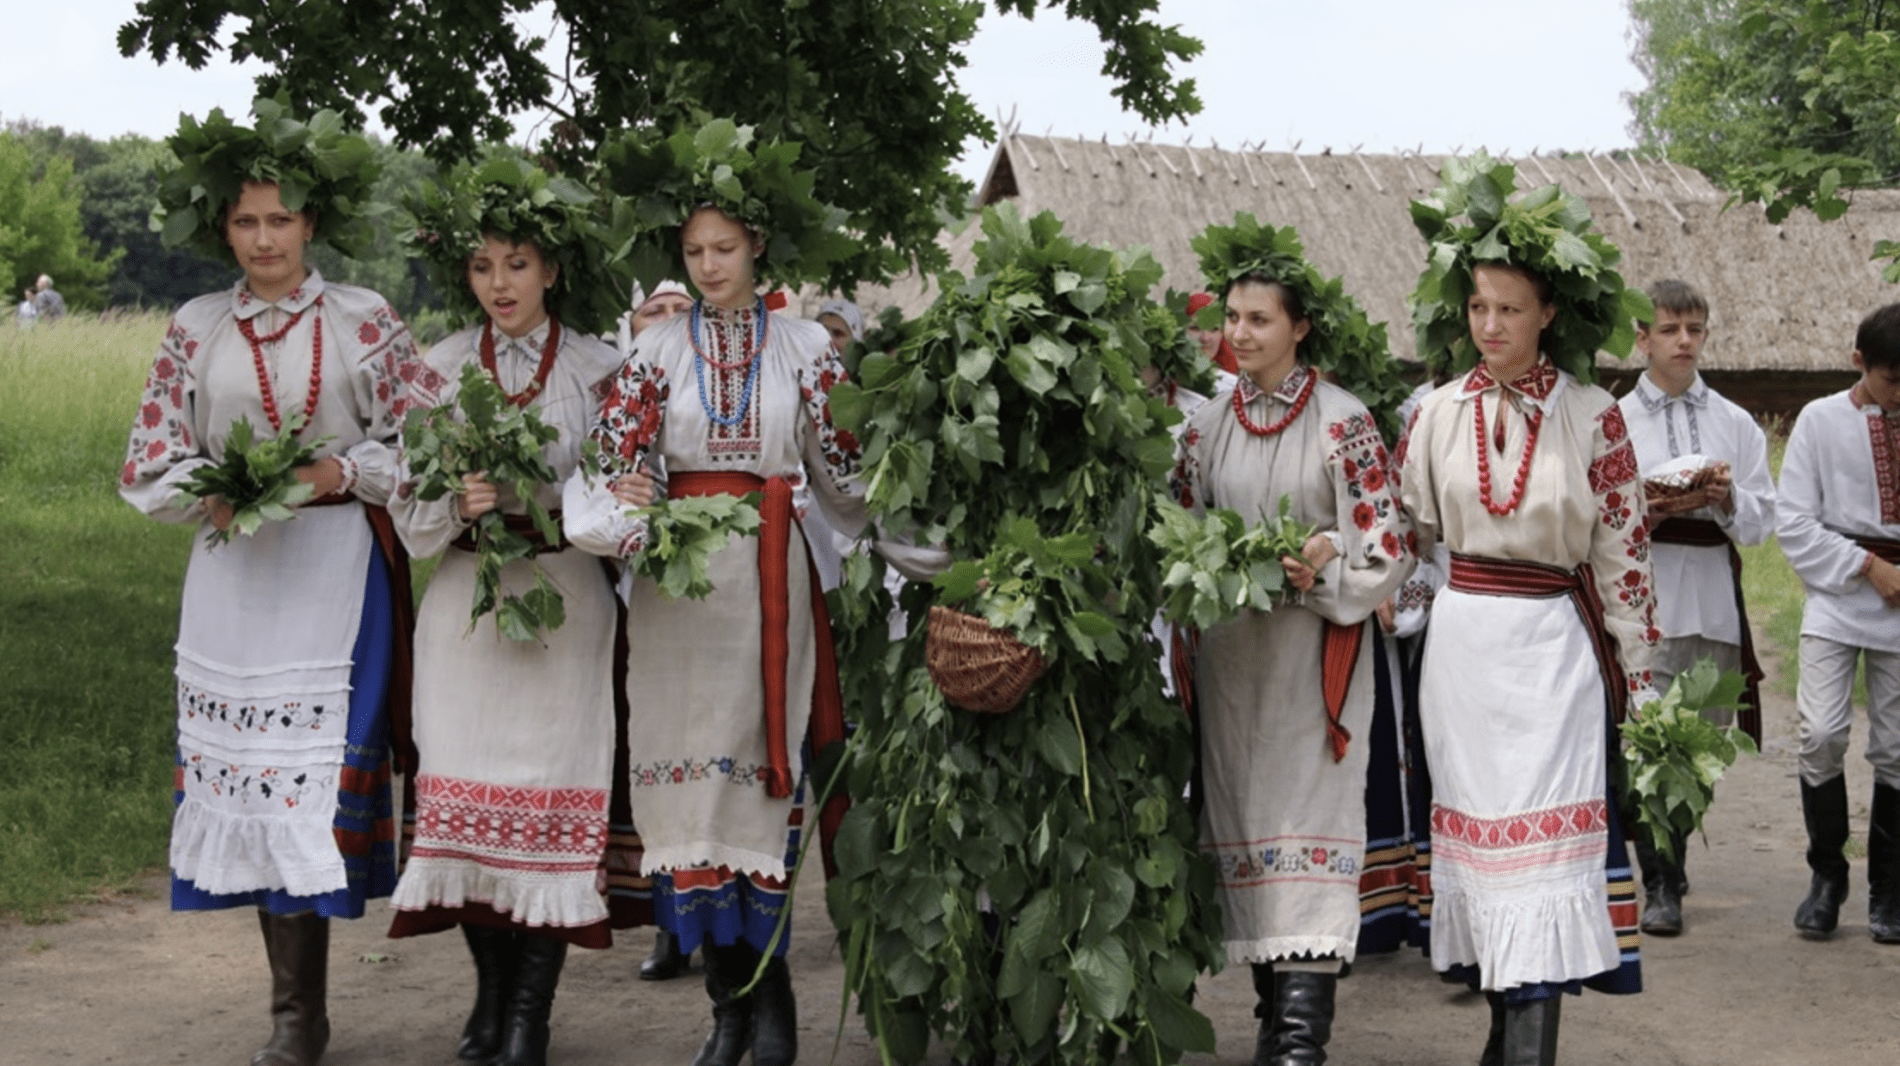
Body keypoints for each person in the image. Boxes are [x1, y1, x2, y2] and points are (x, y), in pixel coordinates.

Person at [567, 203, 940, 1066]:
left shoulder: (805, 347)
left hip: (769, 584)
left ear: (759, 246)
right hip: (677, 591)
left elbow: (846, 479)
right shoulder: (654, 351)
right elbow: (610, 461)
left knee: (755, 796)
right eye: (693, 250)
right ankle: (727, 1009)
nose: (708, 264)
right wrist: (626, 505)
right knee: (690, 798)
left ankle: (769, 1019)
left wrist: (933, 549)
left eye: (724, 248)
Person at [121, 104, 428, 1066]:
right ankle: (293, 1013)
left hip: (335, 570)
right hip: (236, 581)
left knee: (315, 786)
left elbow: (424, 435)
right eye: (247, 222)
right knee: (257, 791)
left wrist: (343, 473)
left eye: (281, 220)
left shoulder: (365, 318)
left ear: (310, 226)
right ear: (225, 228)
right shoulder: (195, 327)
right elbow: (147, 462)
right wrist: (208, 494)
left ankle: (305, 1012)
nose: (264, 239)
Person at [386, 162, 635, 1066]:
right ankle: (488, 1001)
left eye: (518, 263)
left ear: (552, 270)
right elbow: (408, 510)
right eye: (484, 265)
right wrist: (457, 499)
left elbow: (627, 498)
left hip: (563, 600)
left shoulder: (604, 369)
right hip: (465, 609)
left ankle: (529, 1014)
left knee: (546, 800)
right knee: (461, 805)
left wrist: (563, 498)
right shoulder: (437, 369)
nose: (499, 284)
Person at [1397, 239, 1658, 1061]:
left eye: (1510, 309)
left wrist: (1641, 678)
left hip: (1553, 650)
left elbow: (1623, 554)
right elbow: (1402, 535)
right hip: (1465, 647)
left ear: (1549, 314)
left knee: (1541, 856)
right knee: (1485, 859)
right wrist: (1346, 566)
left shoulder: (1592, 414)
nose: (1491, 324)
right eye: (1479, 307)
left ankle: (1525, 1051)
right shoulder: (1435, 412)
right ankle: (1503, 1038)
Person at [1173, 230, 1414, 1065]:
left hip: (1316, 662)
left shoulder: (1343, 423)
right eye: (1233, 318)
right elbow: (1182, 530)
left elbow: (1388, 547)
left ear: (1300, 328)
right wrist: (1209, 561)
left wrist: (1322, 565)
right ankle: (1274, 1027)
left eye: (1260, 320)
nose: (1239, 334)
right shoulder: (1204, 428)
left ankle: (1299, 1047)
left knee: (1309, 828)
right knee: (1243, 824)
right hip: (1235, 659)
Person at [1615, 279, 1777, 937]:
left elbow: (1766, 521)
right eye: (1670, 329)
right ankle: (1660, 883)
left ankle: (1671, 859)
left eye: (1694, 329)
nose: (1684, 341)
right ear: (1642, 337)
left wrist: (1727, 497)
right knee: (1652, 741)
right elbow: (1595, 515)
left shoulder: (1734, 422)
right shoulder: (1615, 420)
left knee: (1700, 743)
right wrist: (1645, 507)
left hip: (1712, 591)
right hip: (1645, 596)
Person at [1777, 301, 1900, 944]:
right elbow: (1793, 521)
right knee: (1822, 732)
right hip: (1839, 591)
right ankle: (1828, 877)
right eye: (1892, 380)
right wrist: (1870, 567)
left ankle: (1890, 891)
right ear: (1859, 362)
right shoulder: (1820, 421)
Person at [608, 275, 702, 985]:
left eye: (681, 309)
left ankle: (724, 916)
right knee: (654, 758)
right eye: (654, 311)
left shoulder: (721, 390)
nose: (668, 320)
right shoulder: (614, 397)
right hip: (633, 601)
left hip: (716, 595)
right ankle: (670, 922)